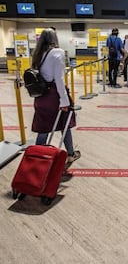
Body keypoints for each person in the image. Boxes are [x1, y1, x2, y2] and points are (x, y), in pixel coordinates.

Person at [31, 28, 80, 166]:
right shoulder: (57, 53)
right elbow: (59, 79)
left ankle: (36, 158)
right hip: (54, 96)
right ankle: (70, 154)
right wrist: (64, 100)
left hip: (40, 97)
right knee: (65, 125)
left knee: (43, 128)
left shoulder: (37, 54)